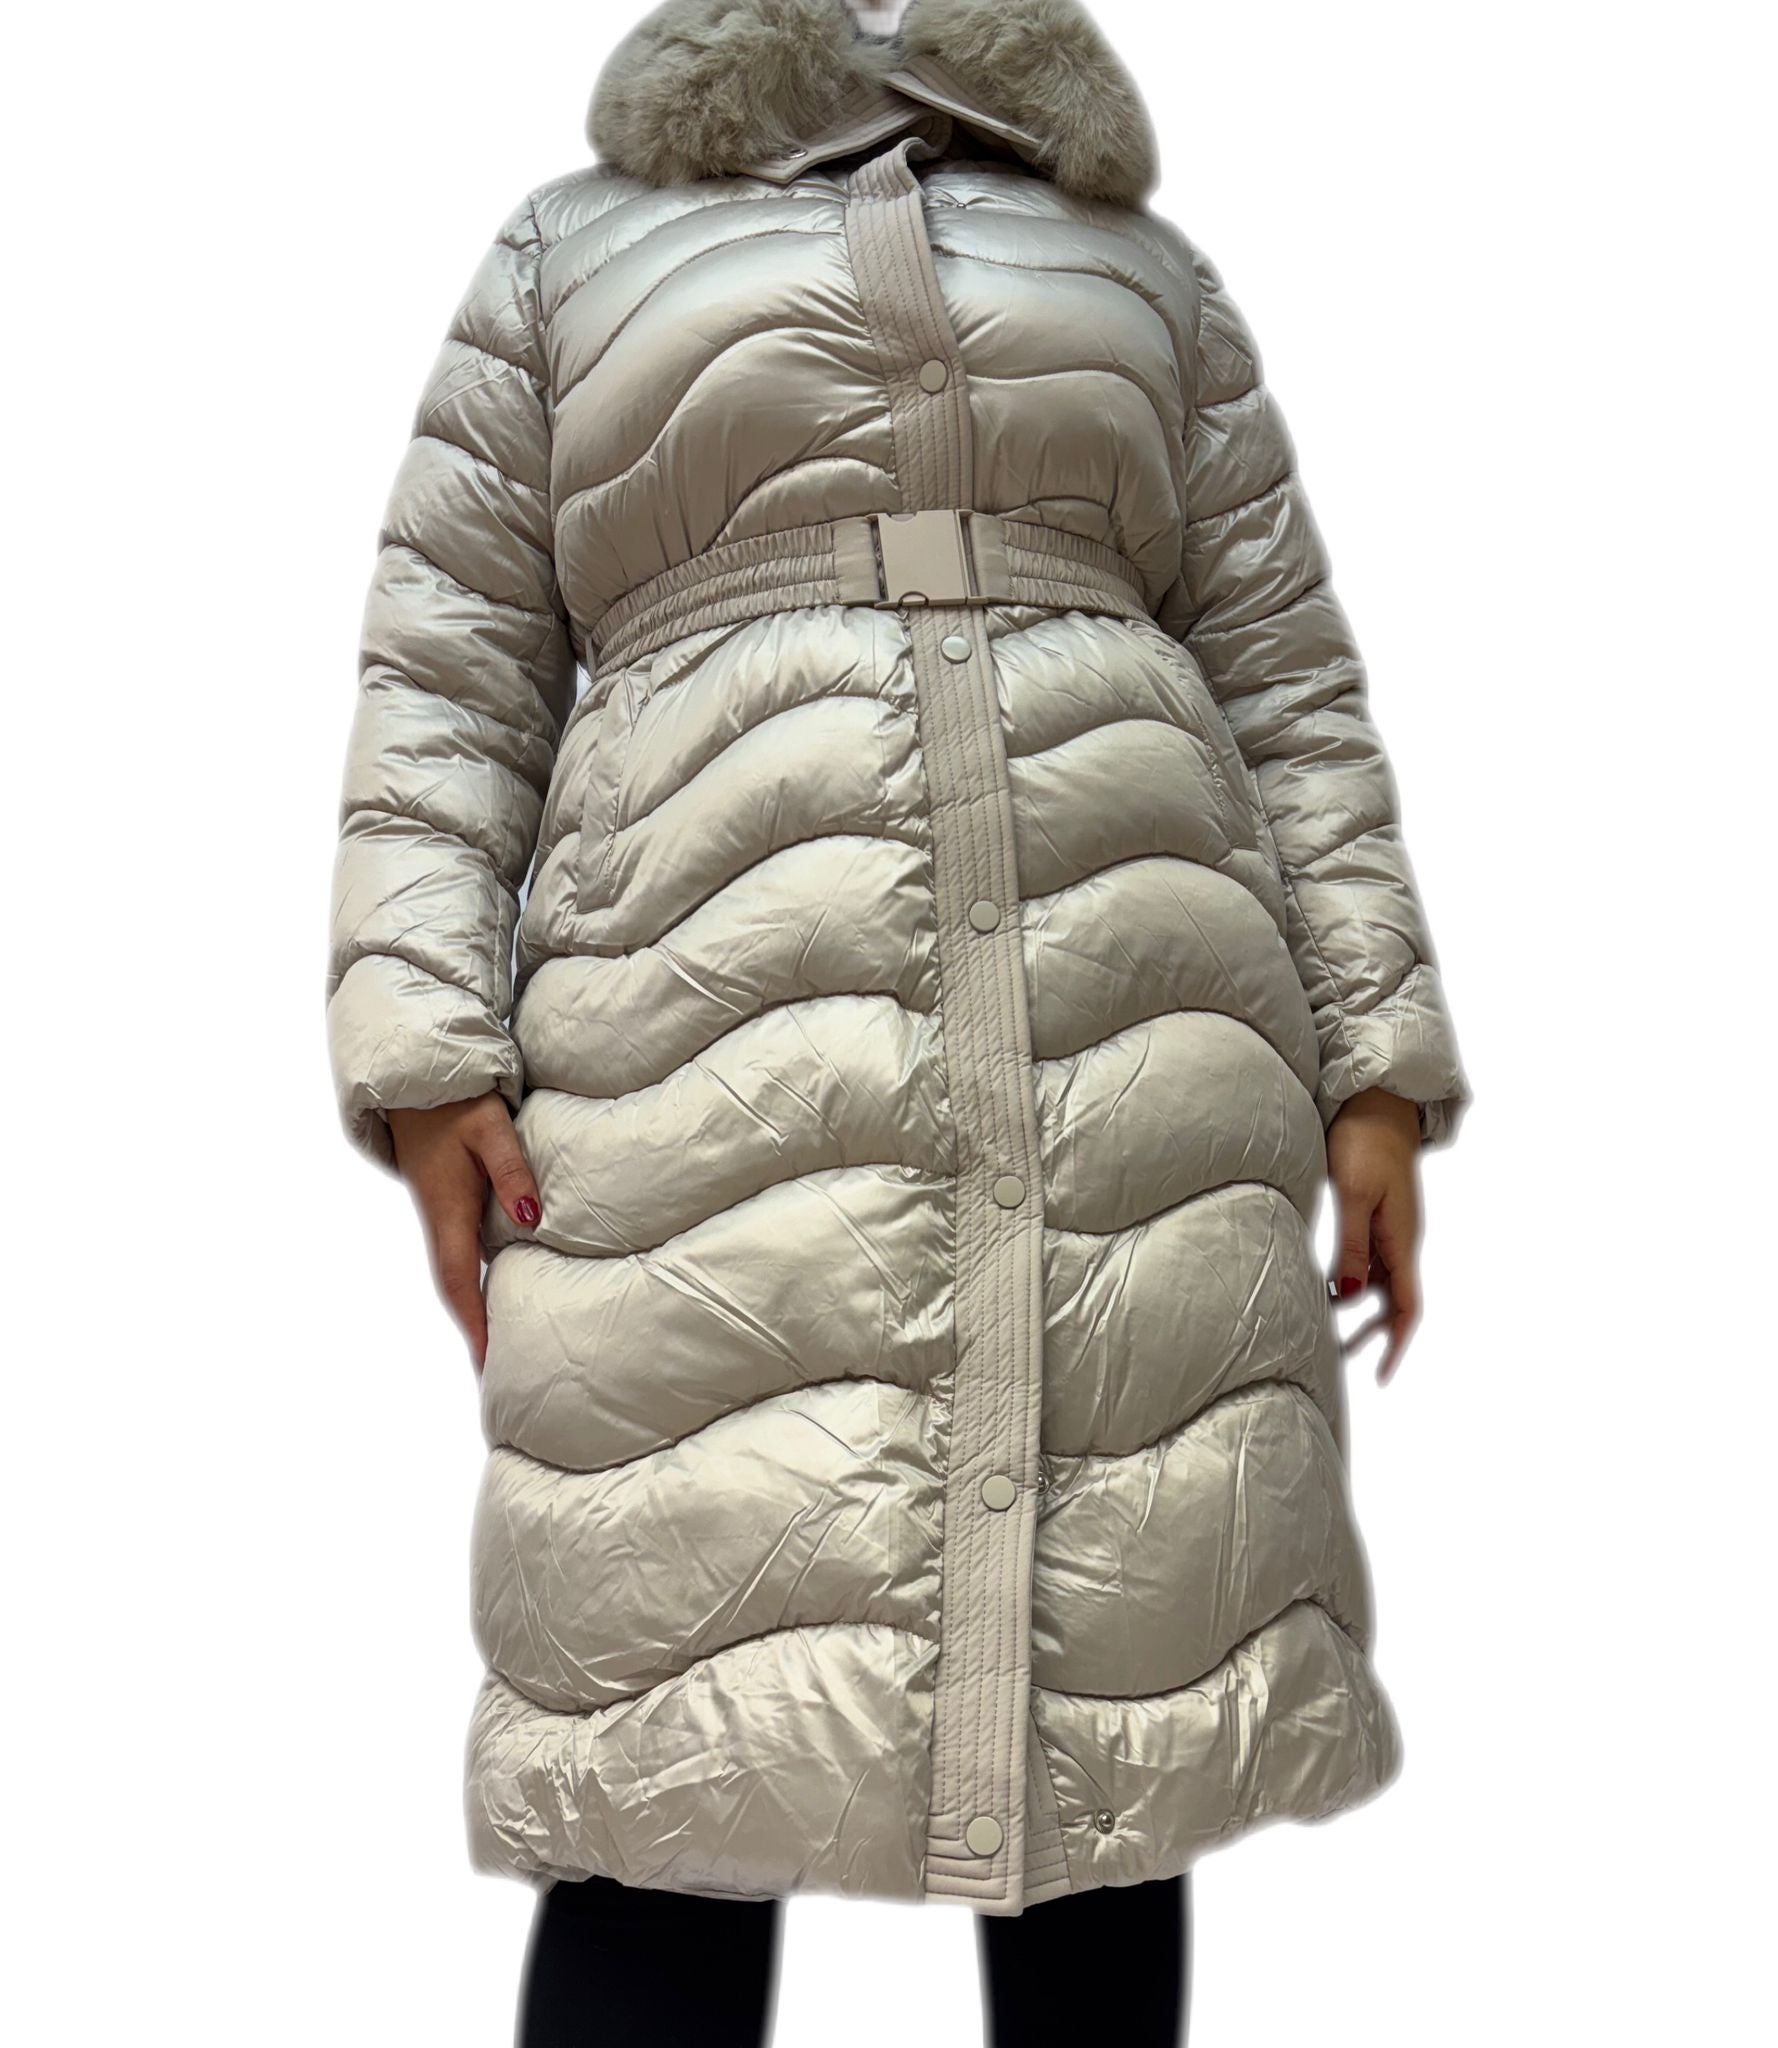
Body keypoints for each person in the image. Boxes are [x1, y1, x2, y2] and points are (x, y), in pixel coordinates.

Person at [325, 0, 1470, 2040]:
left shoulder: (1136, 267)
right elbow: (452, 662)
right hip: (698, 1046)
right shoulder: (572, 246)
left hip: (1135, 1035)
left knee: (1113, 1699)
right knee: (668, 1712)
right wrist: (425, 1056)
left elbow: (1284, 680)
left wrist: (1375, 1067)